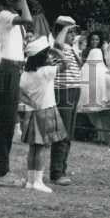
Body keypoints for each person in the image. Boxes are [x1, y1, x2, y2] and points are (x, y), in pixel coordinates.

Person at [0, 0, 32, 186]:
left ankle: (2, 168)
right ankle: (1, 171)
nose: (21, 1)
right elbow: (28, 18)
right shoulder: (4, 15)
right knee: (5, 123)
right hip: (7, 69)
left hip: (14, 69)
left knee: (7, 122)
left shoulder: (15, 21)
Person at [19, 36, 69, 192]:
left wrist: (31, 102)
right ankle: (38, 181)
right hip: (46, 111)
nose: (49, 56)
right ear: (42, 56)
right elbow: (65, 64)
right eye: (47, 54)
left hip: (33, 112)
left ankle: (30, 180)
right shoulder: (47, 72)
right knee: (40, 149)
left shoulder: (25, 74)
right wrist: (57, 52)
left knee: (33, 149)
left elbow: (19, 92)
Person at [49, 15, 83, 186]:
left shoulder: (71, 47)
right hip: (63, 91)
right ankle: (56, 172)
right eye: (70, 31)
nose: (73, 34)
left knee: (68, 133)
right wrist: (64, 29)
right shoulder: (56, 45)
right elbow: (57, 46)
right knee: (62, 133)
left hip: (74, 90)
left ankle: (61, 167)